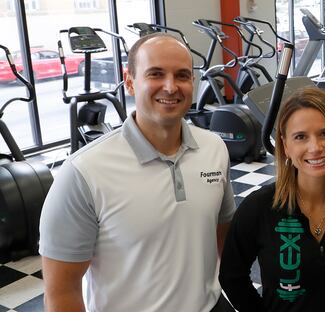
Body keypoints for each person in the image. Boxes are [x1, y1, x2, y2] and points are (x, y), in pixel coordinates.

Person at [39, 33, 236, 312]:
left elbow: (223, 236)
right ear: (130, 81)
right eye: (156, 74)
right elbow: (61, 292)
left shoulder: (214, 148)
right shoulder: (83, 171)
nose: (170, 87)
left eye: (182, 75)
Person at [220, 87, 325, 311]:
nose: (315, 147)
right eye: (300, 137)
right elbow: (231, 276)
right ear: (286, 146)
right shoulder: (259, 207)